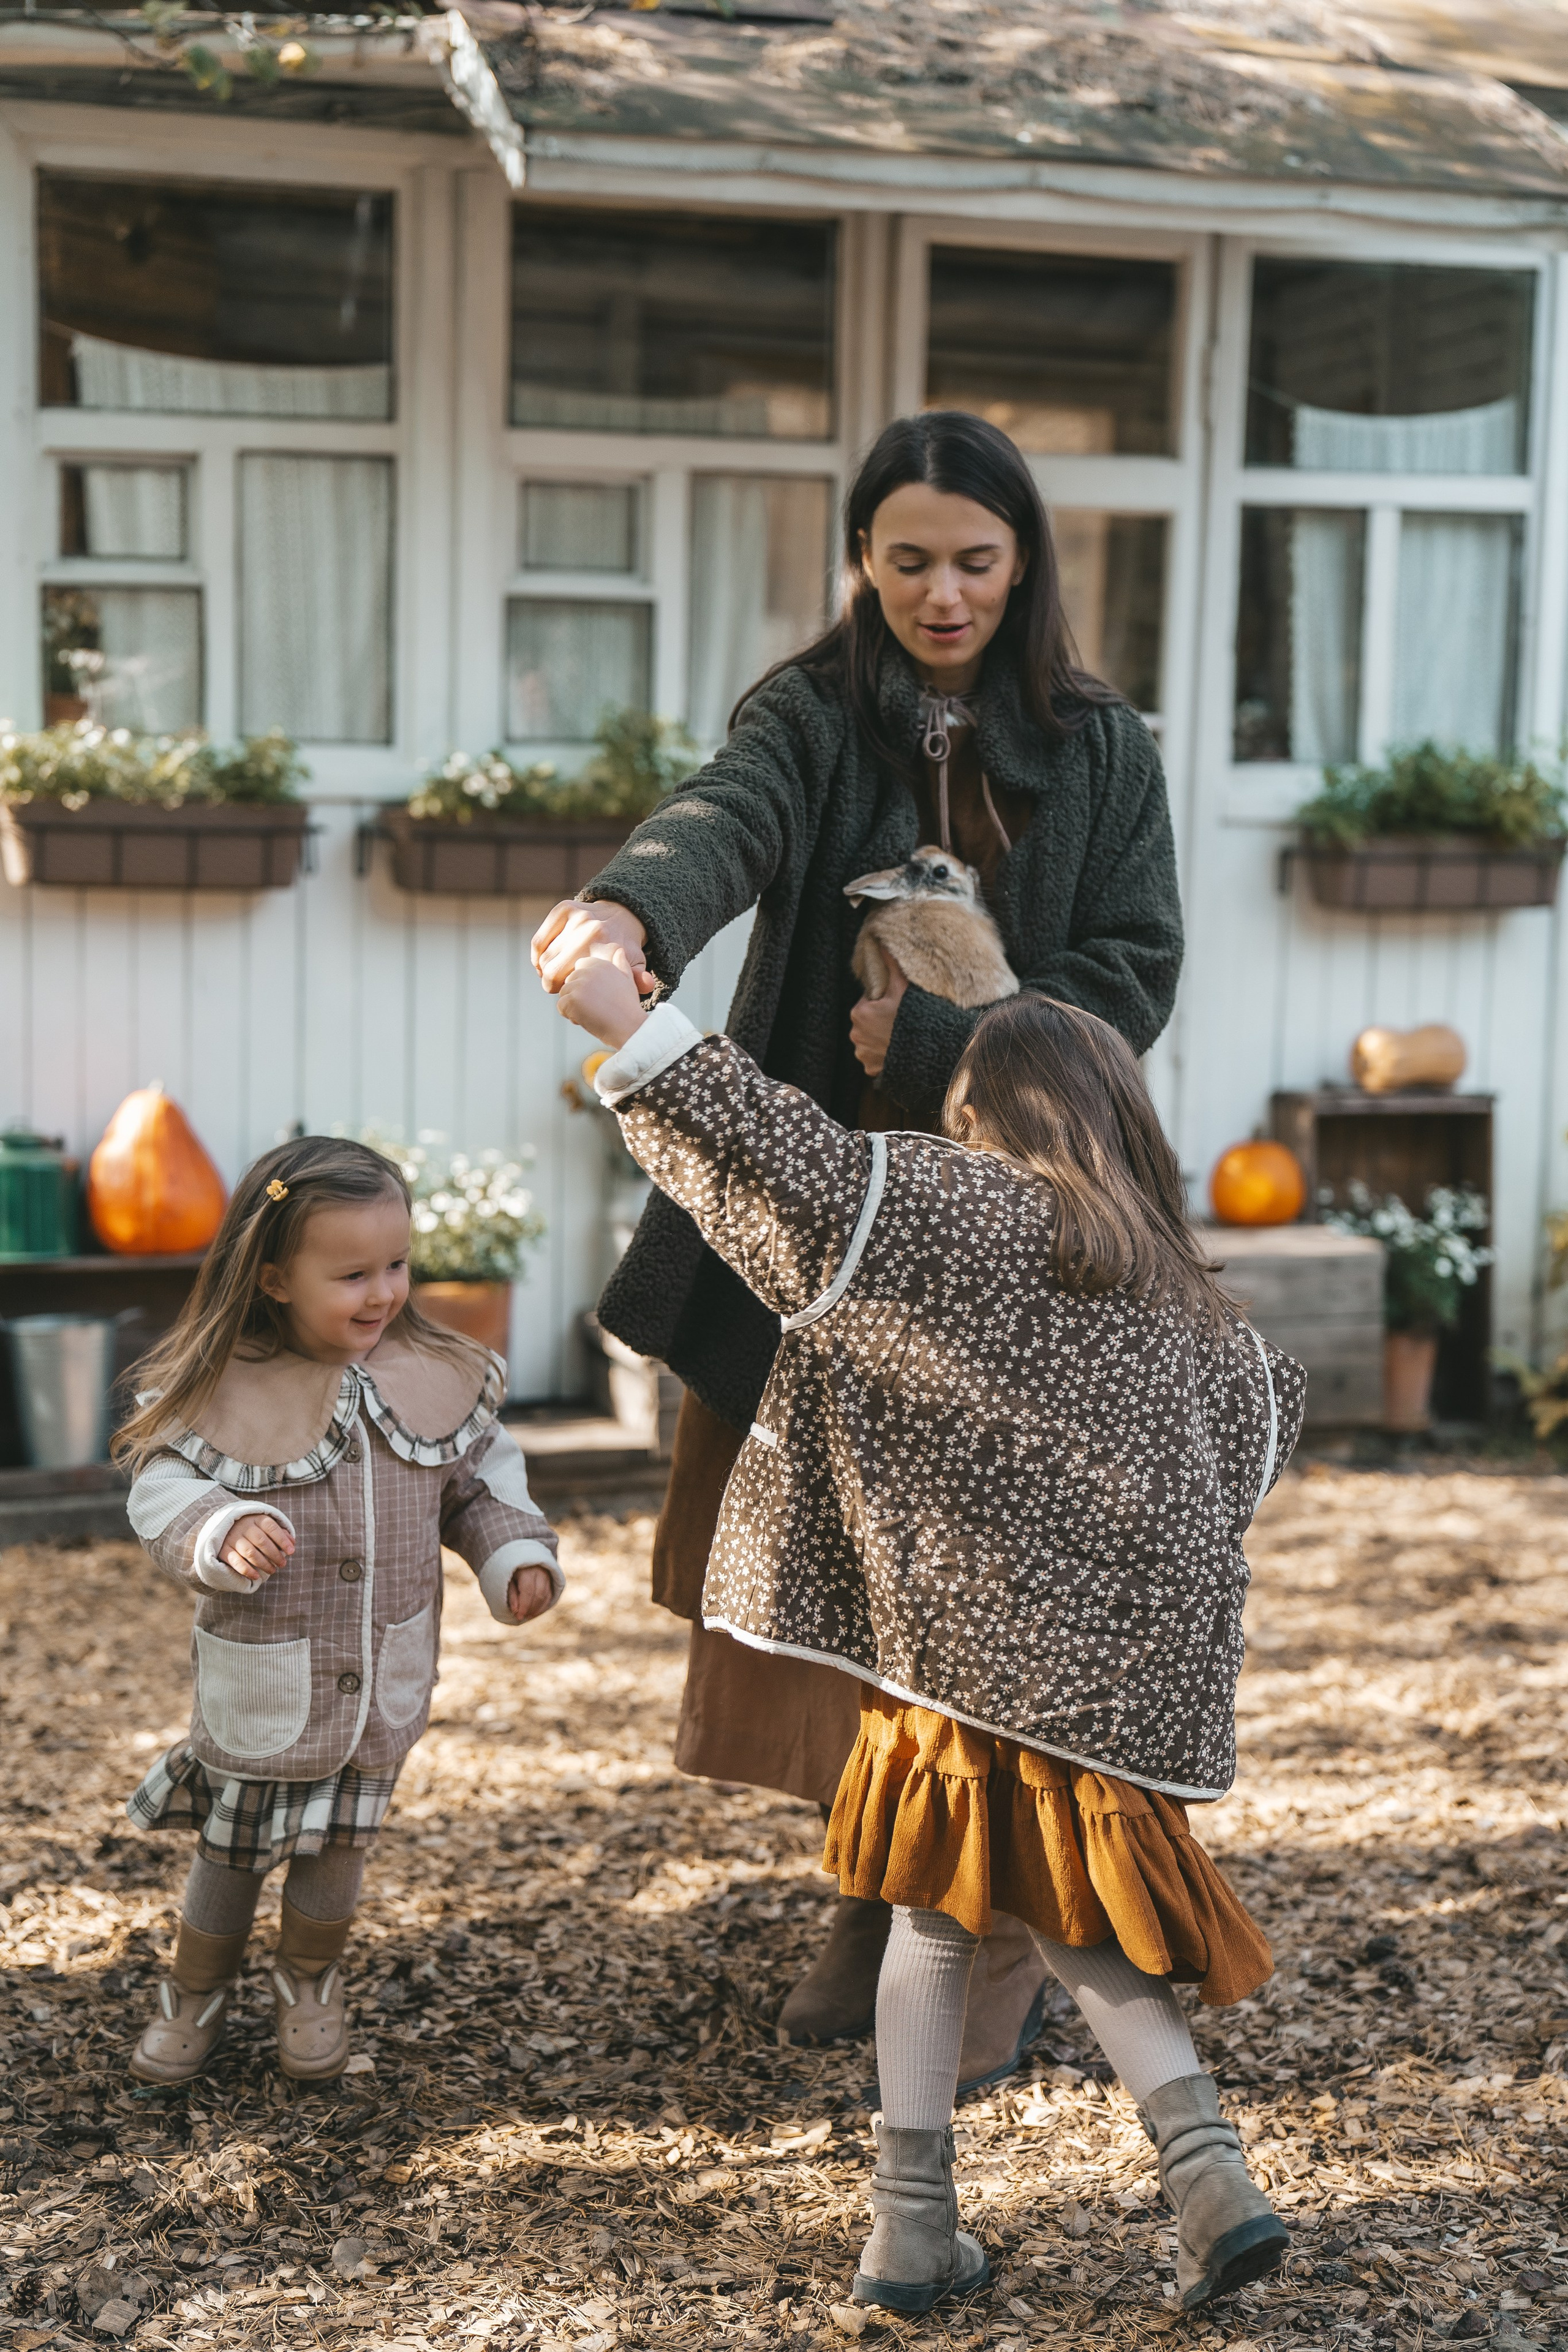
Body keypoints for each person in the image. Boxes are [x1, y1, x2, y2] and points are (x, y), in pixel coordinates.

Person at [533, 410, 1185, 2076]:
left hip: (1024, 1224)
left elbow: (1135, 966)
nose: (942, 592)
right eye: (907, 561)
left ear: (1023, 558)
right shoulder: (813, 713)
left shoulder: (1107, 752)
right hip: (818, 1219)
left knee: (986, 1570)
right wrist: (628, 909)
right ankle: (871, 1872)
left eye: (973, 560)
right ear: (864, 562)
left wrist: (971, 1055)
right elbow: (723, 818)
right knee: (830, 1541)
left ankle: (987, 1902)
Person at [554, 950, 1305, 2318]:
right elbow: (1247, 1457)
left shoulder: (927, 1202)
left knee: (939, 1913)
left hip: (943, 1658)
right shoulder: (1195, 1305)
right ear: (1117, 1118)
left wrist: (627, 1020)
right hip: (1097, 1683)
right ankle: (1193, 2181)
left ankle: (951, 2220)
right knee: (1082, 1911)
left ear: (977, 1115)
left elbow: (767, 1145)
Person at [114, 1137, 560, 2086]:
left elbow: (476, 1485)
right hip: (269, 1683)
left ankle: (308, 1983)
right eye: (351, 1274)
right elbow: (161, 1494)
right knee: (231, 1856)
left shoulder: (429, 1376)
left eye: (397, 1266)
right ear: (274, 1276)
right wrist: (219, 1530)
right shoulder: (222, 1387)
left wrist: (512, 1554)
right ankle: (193, 1992)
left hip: (377, 1688)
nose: (383, 1293)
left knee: (340, 1852)